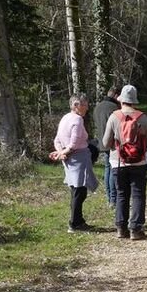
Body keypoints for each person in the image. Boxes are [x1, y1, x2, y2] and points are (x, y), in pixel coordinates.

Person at [102, 84, 147, 240]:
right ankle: (136, 229)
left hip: (118, 162)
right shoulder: (142, 117)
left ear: (121, 100)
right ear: (134, 100)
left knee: (121, 194)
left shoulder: (114, 117)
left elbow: (105, 143)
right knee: (138, 195)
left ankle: (121, 228)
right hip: (139, 162)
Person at [51, 93, 98, 232]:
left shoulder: (65, 117)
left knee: (76, 190)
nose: (87, 108)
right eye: (85, 105)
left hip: (70, 158)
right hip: (78, 159)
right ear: (76, 105)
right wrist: (63, 153)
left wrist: (60, 152)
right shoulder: (77, 120)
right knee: (79, 191)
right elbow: (74, 143)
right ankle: (74, 224)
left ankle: (78, 220)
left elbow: (57, 140)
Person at [93, 87, 120, 207]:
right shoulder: (114, 108)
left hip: (101, 141)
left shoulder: (98, 107)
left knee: (107, 168)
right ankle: (113, 199)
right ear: (116, 95)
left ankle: (109, 197)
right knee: (113, 170)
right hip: (112, 142)